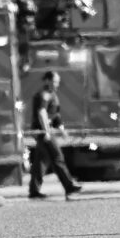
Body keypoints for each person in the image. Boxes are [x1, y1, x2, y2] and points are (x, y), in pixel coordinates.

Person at [28, 71, 82, 199]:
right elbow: (42, 113)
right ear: (47, 81)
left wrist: (62, 129)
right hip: (43, 132)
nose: (57, 84)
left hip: (46, 131)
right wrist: (46, 131)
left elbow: (55, 115)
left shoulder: (52, 95)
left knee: (41, 162)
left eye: (57, 82)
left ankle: (34, 191)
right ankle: (69, 186)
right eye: (54, 81)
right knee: (58, 157)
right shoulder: (44, 94)